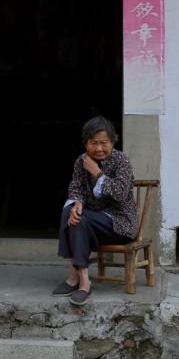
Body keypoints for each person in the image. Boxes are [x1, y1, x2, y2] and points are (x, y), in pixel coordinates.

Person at [54, 115, 138, 305]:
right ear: (86, 144)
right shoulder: (80, 162)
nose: (99, 148)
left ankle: (75, 279)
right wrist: (78, 202)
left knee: (80, 219)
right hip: (91, 224)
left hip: (119, 224)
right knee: (72, 212)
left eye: (104, 143)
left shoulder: (122, 161)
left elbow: (120, 193)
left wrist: (97, 172)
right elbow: (75, 188)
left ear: (112, 141)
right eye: (94, 143)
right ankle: (83, 280)